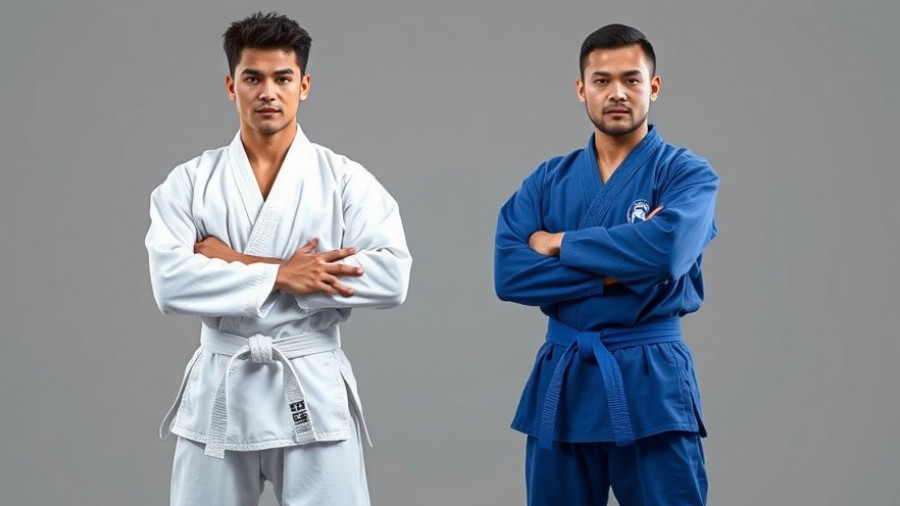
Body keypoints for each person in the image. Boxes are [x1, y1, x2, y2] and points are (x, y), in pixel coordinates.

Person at [145, 12, 411, 506]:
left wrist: (234, 261)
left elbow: (392, 277)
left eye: (282, 77)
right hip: (222, 388)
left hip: (309, 383)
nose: (268, 91)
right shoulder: (190, 181)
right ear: (231, 85)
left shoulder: (343, 179)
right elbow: (170, 283)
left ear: (303, 85)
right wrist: (286, 274)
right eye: (253, 77)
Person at [494, 24, 719, 506]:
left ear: (653, 88)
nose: (617, 92)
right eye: (601, 80)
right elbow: (510, 275)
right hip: (567, 377)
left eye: (632, 80)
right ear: (582, 89)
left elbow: (666, 253)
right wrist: (630, 266)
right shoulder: (547, 180)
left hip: (649, 378)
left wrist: (559, 243)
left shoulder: (686, 175)